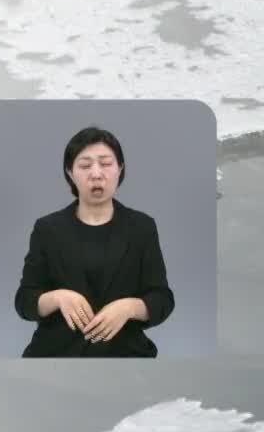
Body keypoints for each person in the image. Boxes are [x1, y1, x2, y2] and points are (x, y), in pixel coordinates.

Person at [12, 125, 175, 357]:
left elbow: (162, 299)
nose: (96, 173)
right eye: (85, 165)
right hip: (56, 355)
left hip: (125, 356)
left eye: (106, 164)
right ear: (70, 172)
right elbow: (24, 301)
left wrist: (129, 307)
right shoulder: (47, 229)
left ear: (120, 169)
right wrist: (58, 298)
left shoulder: (142, 227)